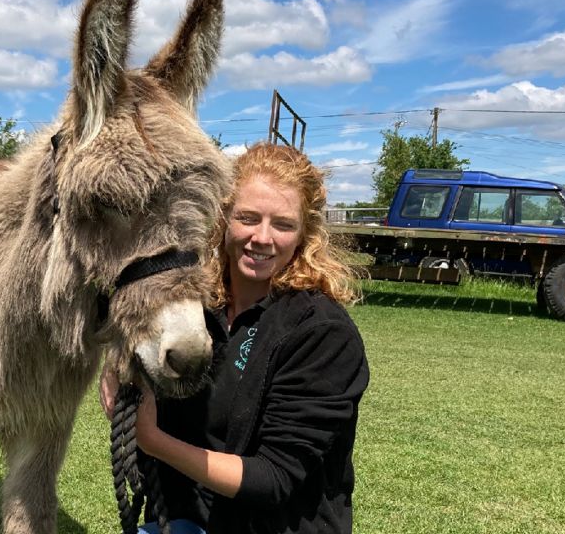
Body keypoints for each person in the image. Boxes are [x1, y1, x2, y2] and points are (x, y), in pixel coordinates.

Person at [101, 141, 369, 534]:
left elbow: (273, 477)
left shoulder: (322, 333)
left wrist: (153, 441)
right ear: (222, 217)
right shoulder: (198, 308)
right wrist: (120, 364)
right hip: (182, 517)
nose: (262, 238)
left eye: (283, 224)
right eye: (247, 217)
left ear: (303, 235)